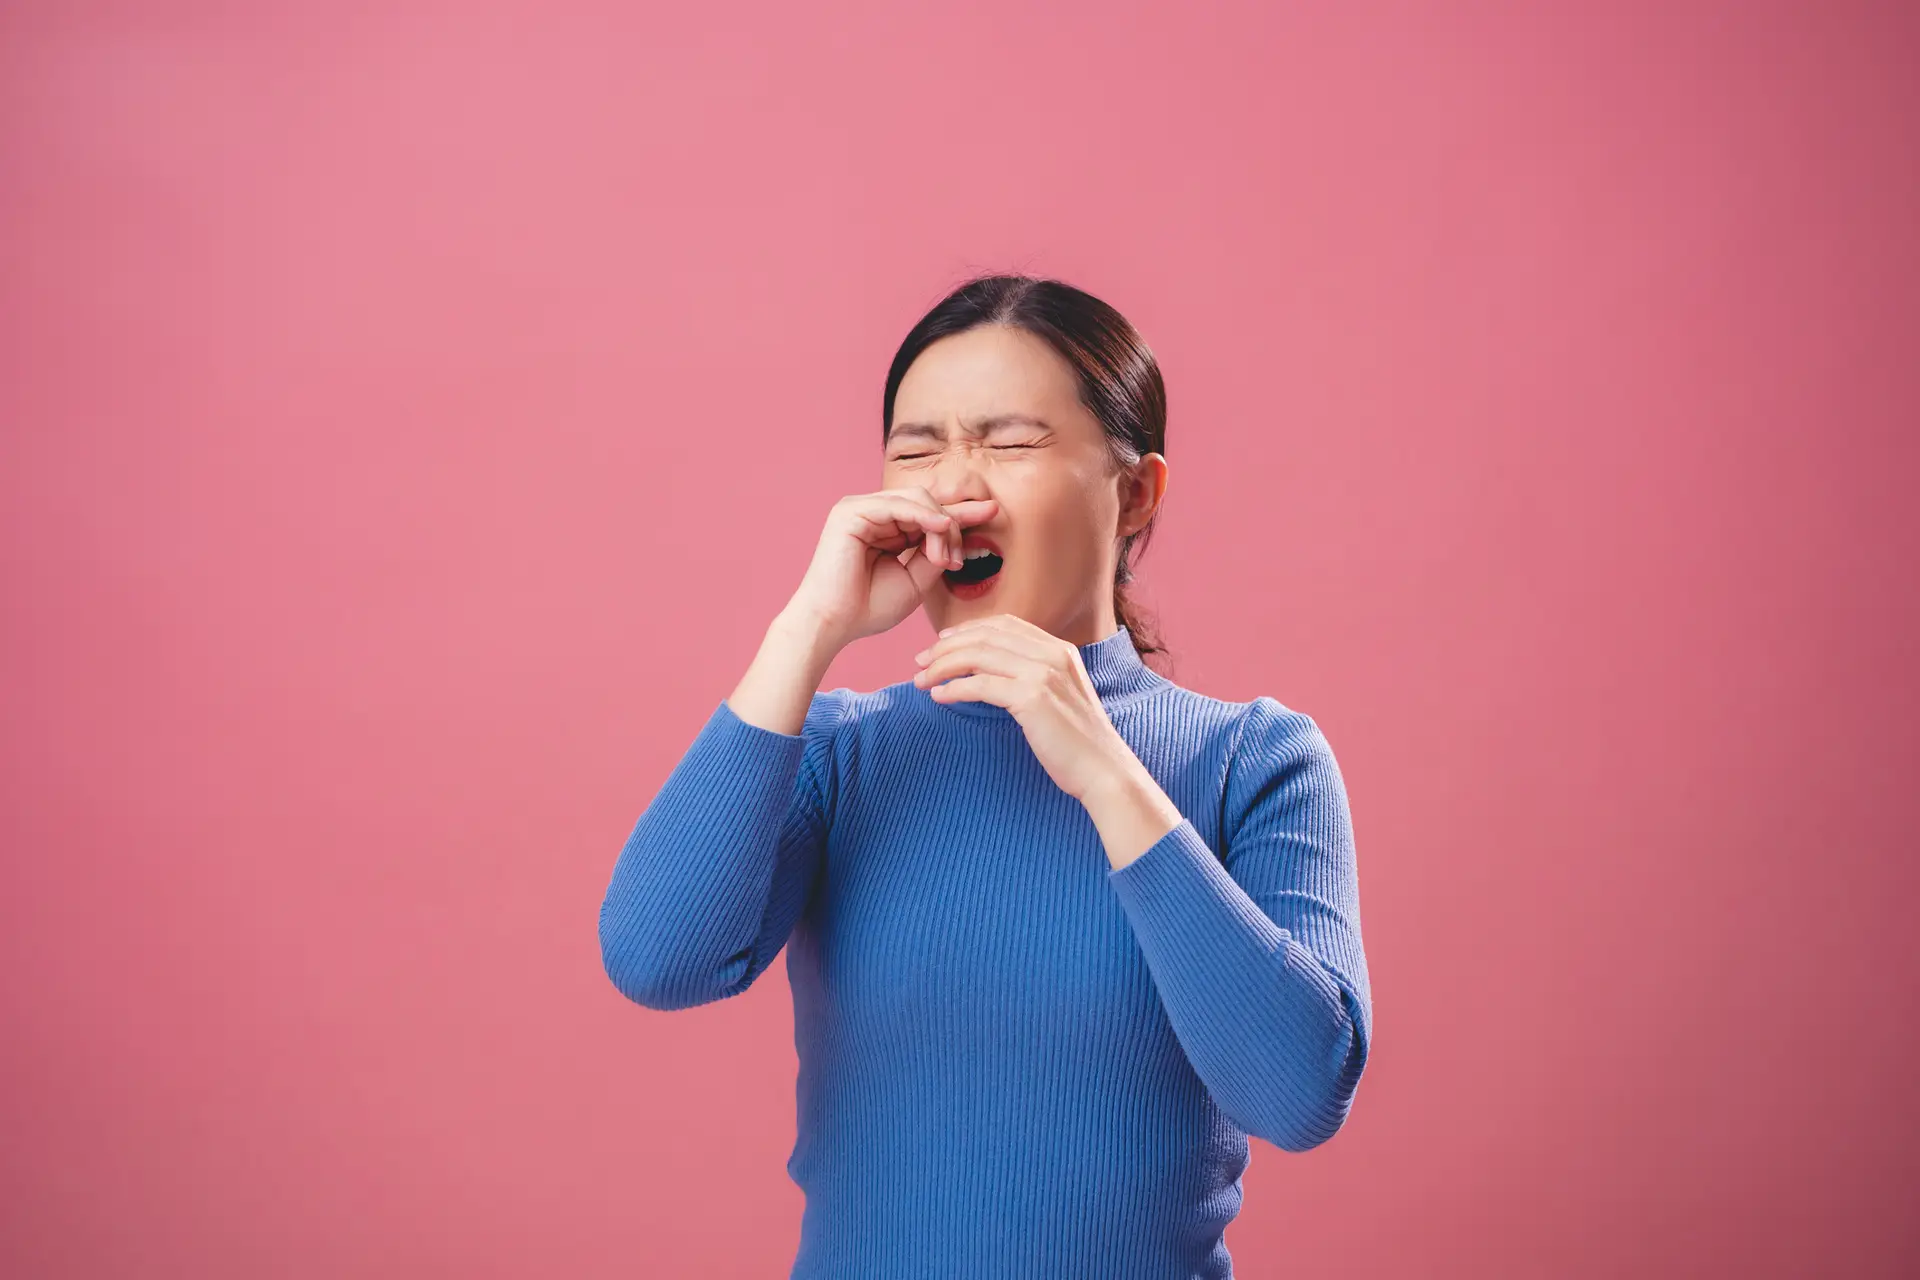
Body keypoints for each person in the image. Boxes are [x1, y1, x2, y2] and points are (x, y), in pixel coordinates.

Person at [598, 273, 1373, 1279]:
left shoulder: (1258, 761)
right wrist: (807, 631)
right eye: (917, 446)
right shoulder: (838, 752)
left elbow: (1299, 1091)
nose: (955, 486)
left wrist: (1103, 767)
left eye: (1009, 442)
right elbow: (656, 957)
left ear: (1135, 492)